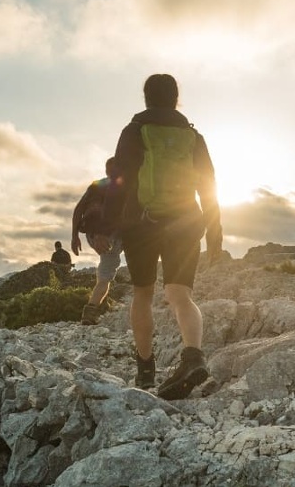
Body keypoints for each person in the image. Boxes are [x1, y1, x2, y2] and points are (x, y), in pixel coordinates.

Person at [113, 73, 222, 400]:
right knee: (180, 295)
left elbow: (119, 180)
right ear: (176, 99)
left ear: (146, 97)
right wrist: (215, 233)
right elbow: (209, 185)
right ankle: (193, 357)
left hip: (142, 224)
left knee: (143, 294)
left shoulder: (133, 131)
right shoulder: (193, 136)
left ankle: (145, 371)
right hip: (187, 222)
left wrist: (110, 226)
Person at [70, 158, 124, 325]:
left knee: (104, 277)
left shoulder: (96, 185)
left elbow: (79, 208)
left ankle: (90, 311)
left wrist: (74, 236)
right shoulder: (123, 184)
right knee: (107, 274)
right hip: (112, 234)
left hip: (94, 235)